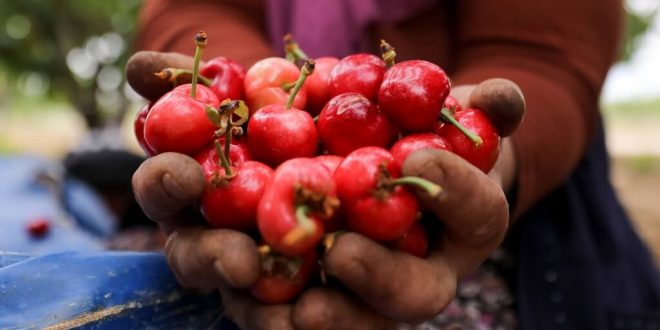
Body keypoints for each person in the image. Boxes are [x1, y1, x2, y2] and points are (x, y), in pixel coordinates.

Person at [128, 0, 660, 329]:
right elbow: (190, 6)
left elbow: (544, 51)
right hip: (294, 161)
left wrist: (490, 154)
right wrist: (232, 95)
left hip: (519, 215)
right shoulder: (271, 128)